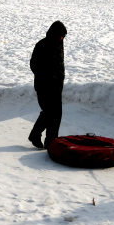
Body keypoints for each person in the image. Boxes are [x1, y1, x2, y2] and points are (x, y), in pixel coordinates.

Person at [28, 21, 67, 149]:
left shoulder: (59, 45)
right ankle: (35, 134)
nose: (61, 38)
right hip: (44, 85)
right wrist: (46, 77)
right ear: (54, 33)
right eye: (60, 35)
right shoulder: (42, 45)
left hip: (57, 86)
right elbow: (34, 64)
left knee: (56, 114)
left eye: (63, 36)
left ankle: (51, 141)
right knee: (49, 112)